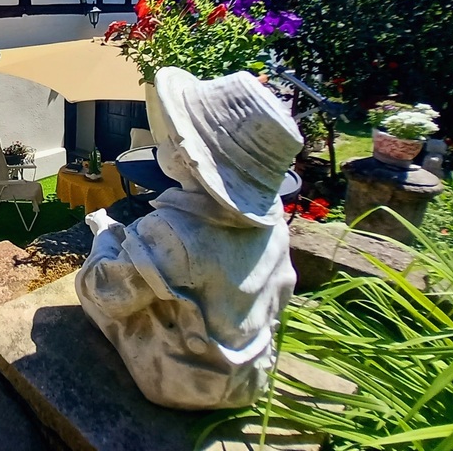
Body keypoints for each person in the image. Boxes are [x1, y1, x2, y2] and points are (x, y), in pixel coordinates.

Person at [75, 67, 302, 410]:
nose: (161, 142)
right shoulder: (276, 230)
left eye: (170, 137)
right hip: (249, 378)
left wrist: (105, 233)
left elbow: (105, 291)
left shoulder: (171, 232)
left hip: (185, 381)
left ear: (185, 158)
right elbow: (280, 297)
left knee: (96, 297)